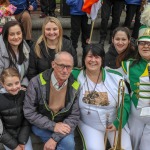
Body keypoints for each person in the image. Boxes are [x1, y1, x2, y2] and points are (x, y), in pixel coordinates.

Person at [72, 44, 132, 150]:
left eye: (97, 57)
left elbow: (125, 102)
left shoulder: (116, 77)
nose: (93, 60)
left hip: (114, 123)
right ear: (84, 58)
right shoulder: (76, 76)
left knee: (125, 148)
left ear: (102, 59)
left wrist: (118, 123)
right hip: (90, 124)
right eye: (89, 56)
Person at [24, 51, 80, 150]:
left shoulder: (75, 85)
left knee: (69, 143)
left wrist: (54, 139)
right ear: (53, 64)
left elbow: (74, 115)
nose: (65, 71)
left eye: (69, 67)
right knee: (68, 144)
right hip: (41, 124)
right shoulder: (36, 82)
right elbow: (29, 112)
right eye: (61, 66)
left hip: (63, 124)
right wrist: (53, 126)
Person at [121, 4, 150, 150]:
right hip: (135, 115)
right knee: (132, 145)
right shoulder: (128, 65)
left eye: (149, 44)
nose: (146, 46)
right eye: (142, 43)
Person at [27, 16, 77, 80]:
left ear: (59, 30)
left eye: (55, 29)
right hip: (41, 85)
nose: (51, 32)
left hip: (63, 83)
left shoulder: (68, 46)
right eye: (48, 29)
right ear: (44, 31)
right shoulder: (36, 47)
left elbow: (73, 68)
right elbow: (32, 72)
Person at [0, 68, 32, 150]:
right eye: (9, 85)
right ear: (2, 84)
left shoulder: (25, 95)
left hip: (23, 134)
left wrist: (22, 141)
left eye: (17, 83)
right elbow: (1, 130)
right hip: (7, 137)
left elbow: (27, 119)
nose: (14, 87)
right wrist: (15, 146)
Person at [0, 21, 30, 88]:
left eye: (18, 33)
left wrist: (23, 85)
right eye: (12, 34)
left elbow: (25, 75)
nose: (16, 37)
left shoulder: (25, 49)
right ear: (5, 35)